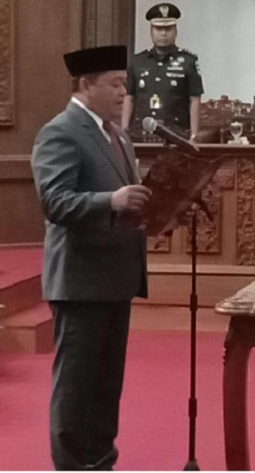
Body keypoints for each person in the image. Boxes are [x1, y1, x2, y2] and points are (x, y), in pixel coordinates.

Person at [31, 45, 152, 470]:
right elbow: (56, 203)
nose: (124, 92)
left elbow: (124, 200)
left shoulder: (116, 133)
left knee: (105, 388)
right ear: (86, 85)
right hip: (81, 281)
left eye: (125, 83)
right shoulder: (60, 131)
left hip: (115, 277)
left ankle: (101, 461)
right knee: (76, 389)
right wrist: (112, 200)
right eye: (115, 84)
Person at [122, 3, 204, 140]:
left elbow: (194, 100)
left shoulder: (188, 61)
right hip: (140, 133)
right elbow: (129, 97)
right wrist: (124, 130)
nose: (163, 33)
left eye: (168, 29)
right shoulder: (137, 61)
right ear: (151, 31)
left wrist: (194, 135)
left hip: (176, 133)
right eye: (159, 29)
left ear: (176, 31)